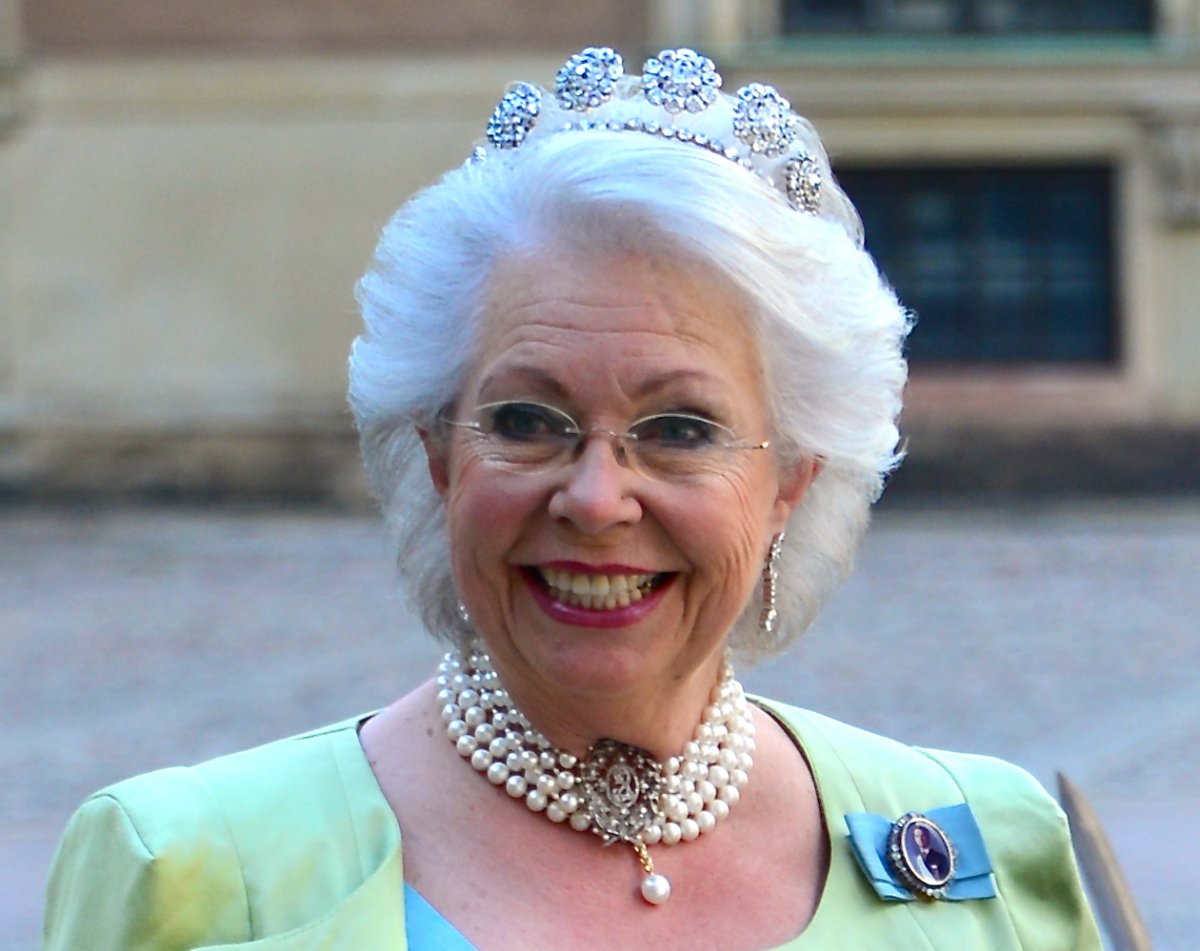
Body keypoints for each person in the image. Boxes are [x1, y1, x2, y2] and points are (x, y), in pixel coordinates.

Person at [43, 46, 1102, 949]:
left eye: (681, 429)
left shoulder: (982, 853)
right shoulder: (193, 877)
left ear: (790, 481)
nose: (596, 499)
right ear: (439, 456)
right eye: (525, 422)